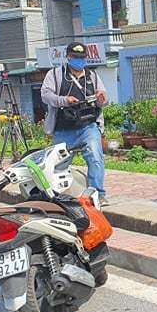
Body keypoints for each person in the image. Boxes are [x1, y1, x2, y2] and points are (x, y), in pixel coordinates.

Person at [40, 42, 108, 205]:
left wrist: (101, 98)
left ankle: (97, 194)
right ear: (68, 58)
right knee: (58, 165)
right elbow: (45, 95)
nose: (79, 61)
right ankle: (56, 196)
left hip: (88, 126)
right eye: (75, 58)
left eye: (82, 58)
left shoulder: (92, 76)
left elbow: (104, 100)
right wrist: (64, 100)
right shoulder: (55, 75)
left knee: (95, 158)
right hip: (64, 128)